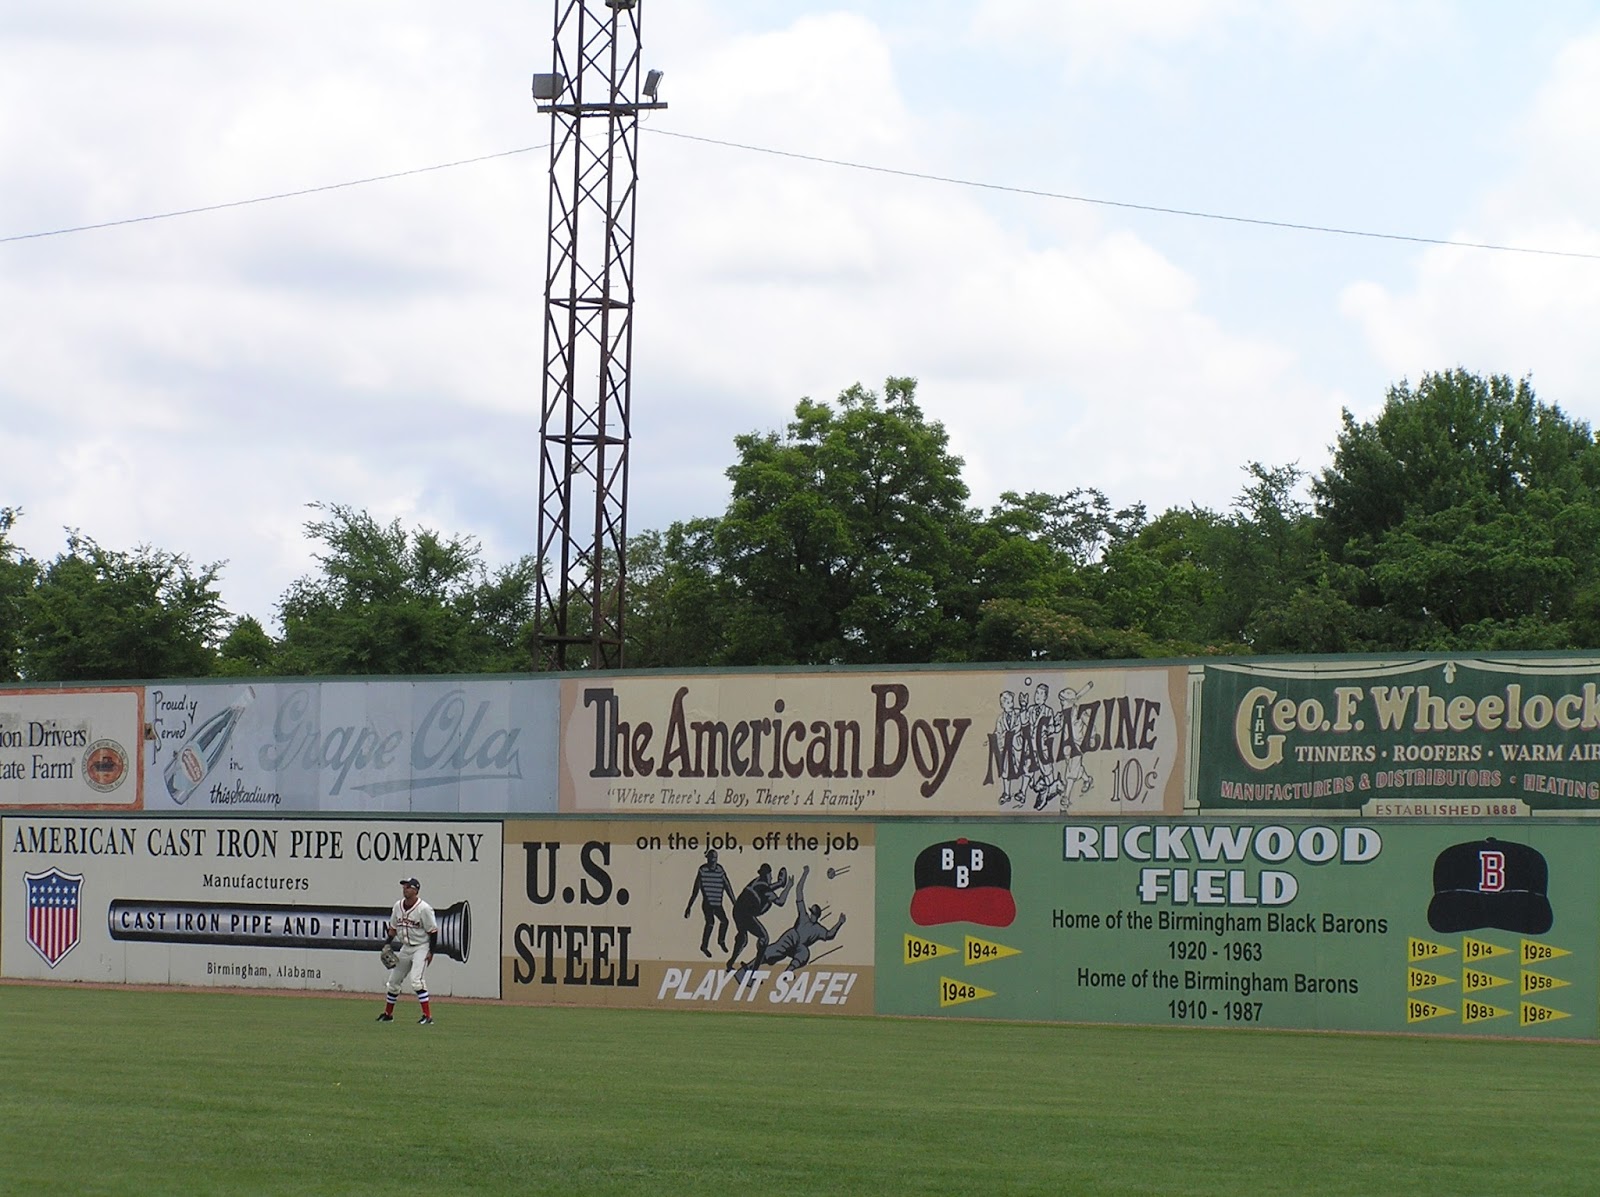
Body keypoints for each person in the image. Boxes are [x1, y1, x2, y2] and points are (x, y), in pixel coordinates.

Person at [751, 865, 846, 974]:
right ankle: (750, 967)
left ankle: (787, 972)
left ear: (817, 916)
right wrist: (805, 874)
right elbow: (799, 891)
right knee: (773, 951)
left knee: (804, 954)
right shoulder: (804, 916)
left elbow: (829, 935)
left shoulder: (818, 929)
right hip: (792, 937)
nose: (812, 915)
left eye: (814, 914)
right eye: (812, 913)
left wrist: (840, 923)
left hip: (800, 947)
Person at [376, 877, 438, 1025]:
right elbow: (393, 928)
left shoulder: (424, 909)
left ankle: (427, 1016)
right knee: (393, 981)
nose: (405, 889)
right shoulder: (398, 906)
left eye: (408, 887)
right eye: (404, 887)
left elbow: (433, 931)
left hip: (421, 946)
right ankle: (388, 1014)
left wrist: (431, 952)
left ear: (416, 890)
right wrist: (387, 944)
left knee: (416, 981)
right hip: (406, 947)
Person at [726, 862, 793, 974]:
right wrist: (788, 887)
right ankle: (754, 971)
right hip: (745, 914)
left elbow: (768, 888)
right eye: (771, 876)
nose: (772, 878)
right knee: (764, 938)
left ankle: (730, 963)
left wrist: (780, 883)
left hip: (737, 911)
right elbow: (780, 902)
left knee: (742, 938)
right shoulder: (765, 889)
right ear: (768, 875)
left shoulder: (757, 881)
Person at [684, 848, 734, 958]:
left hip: (718, 904)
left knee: (725, 921)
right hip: (707, 904)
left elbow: (727, 886)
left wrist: (734, 902)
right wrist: (689, 907)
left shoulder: (720, 870)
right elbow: (695, 890)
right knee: (710, 923)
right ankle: (704, 946)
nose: (713, 861)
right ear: (708, 859)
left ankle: (721, 941)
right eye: (711, 859)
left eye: (715, 859)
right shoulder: (702, 870)